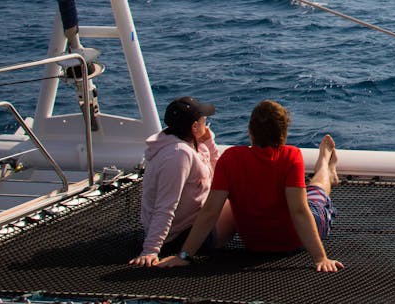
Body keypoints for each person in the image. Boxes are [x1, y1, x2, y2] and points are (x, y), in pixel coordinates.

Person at [157, 100, 342, 273]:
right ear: (284, 133)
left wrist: (184, 255)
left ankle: (326, 165)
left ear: (250, 131)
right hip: (292, 241)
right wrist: (320, 258)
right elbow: (300, 212)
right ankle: (325, 164)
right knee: (317, 192)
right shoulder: (291, 156)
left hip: (254, 242)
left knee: (310, 194)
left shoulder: (230, 158)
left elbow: (210, 211)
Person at [129, 96, 232, 267]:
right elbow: (166, 205)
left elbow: (216, 174)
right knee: (236, 204)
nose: (206, 124)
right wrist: (151, 250)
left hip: (186, 225)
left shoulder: (186, 143)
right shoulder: (178, 155)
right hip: (179, 238)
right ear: (194, 127)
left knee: (224, 195)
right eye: (203, 121)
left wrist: (208, 141)